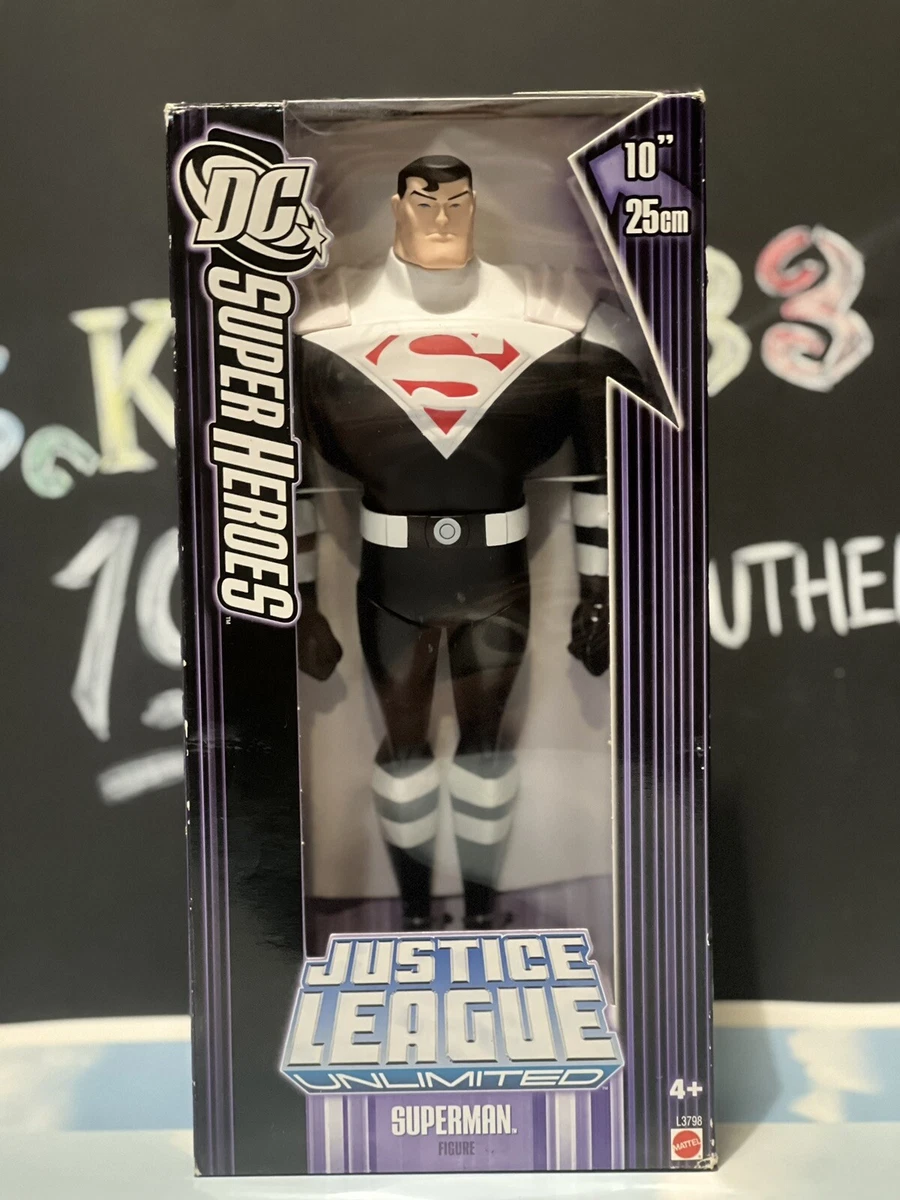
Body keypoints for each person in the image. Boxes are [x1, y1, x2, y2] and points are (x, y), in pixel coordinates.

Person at [292, 154, 660, 930]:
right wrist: (300, 602)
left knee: (485, 748)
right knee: (403, 749)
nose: (441, 217)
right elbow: (277, 473)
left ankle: (483, 915)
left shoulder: (556, 323)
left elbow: (606, 465)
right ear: (399, 206)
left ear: (474, 205)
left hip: (496, 576)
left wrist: (599, 592)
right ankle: (417, 917)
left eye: (456, 201)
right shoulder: (320, 337)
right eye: (425, 201)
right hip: (394, 581)